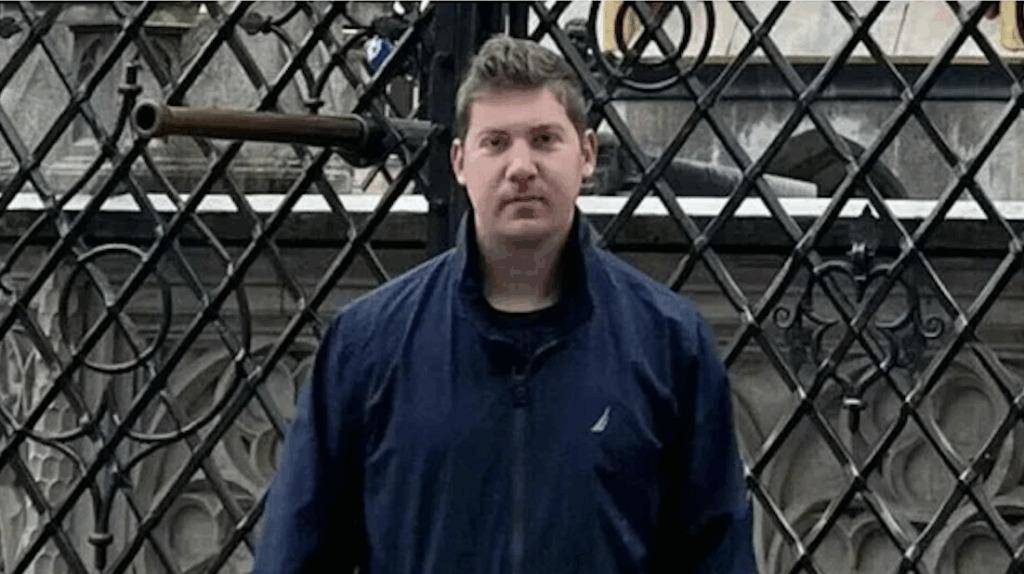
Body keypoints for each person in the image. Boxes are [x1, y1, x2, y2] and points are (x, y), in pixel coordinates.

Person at [254, 35, 755, 574]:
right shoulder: (369, 345)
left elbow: (716, 553)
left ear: (586, 154)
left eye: (544, 140)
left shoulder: (667, 342)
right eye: (495, 143)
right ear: (460, 161)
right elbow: (298, 553)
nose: (521, 167)